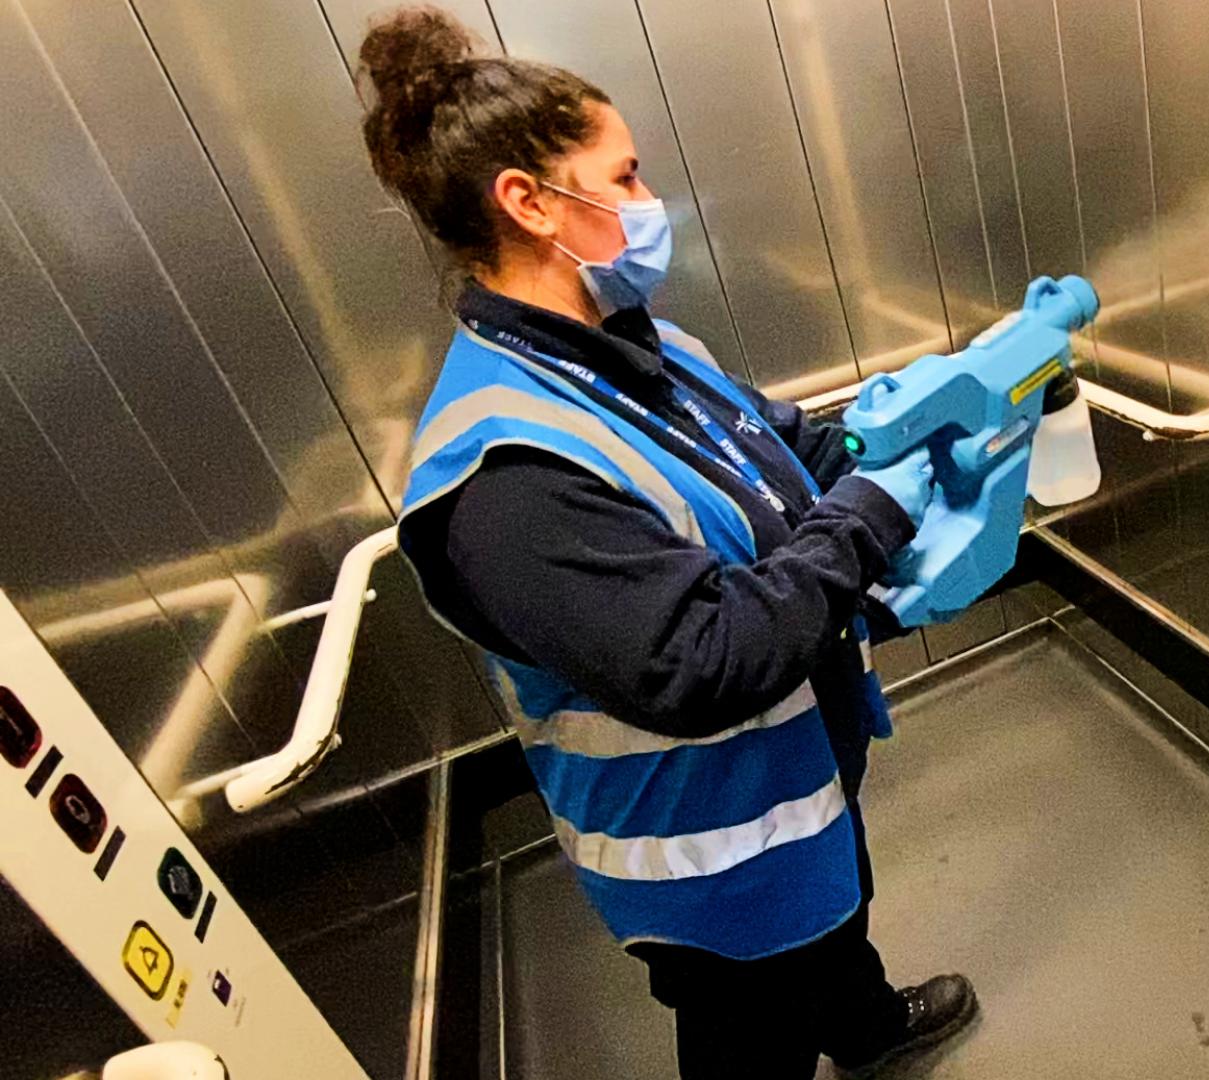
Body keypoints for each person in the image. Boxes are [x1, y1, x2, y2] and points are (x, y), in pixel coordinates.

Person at [356, 8, 977, 1077]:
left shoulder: (636, 346)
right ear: (531, 202)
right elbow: (699, 664)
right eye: (627, 177)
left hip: (797, 776)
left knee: (833, 901)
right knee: (750, 1025)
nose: (650, 206)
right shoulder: (505, 475)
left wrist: (902, 434)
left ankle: (866, 1028)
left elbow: (780, 449)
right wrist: (874, 512)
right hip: (708, 844)